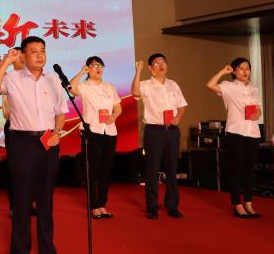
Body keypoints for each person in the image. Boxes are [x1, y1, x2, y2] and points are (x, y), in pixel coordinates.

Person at [0, 36, 69, 254]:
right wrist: (7, 60)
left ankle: (48, 251)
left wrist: (57, 132)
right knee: (22, 198)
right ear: (23, 55)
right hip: (22, 142)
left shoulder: (53, 80)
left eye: (43, 50)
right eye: (34, 51)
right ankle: (19, 251)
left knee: (46, 198)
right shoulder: (12, 78)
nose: (40, 55)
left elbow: (60, 111)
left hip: (48, 141)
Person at [132, 53, 187, 220]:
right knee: (152, 169)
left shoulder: (173, 84)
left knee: (172, 168)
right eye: (157, 63)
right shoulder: (146, 84)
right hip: (154, 131)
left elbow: (182, 105)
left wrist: (178, 118)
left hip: (172, 131)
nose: (161, 65)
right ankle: (152, 207)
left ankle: (172, 206)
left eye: (163, 62)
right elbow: (135, 92)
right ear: (151, 68)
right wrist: (138, 71)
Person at [206, 58, 262, 218]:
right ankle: (237, 204)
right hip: (236, 131)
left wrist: (258, 114)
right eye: (241, 68)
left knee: (249, 169)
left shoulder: (254, 88)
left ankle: (248, 203)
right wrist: (223, 71)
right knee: (236, 169)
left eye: (247, 68)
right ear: (234, 71)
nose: (245, 71)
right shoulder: (228, 86)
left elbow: (258, 109)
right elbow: (210, 85)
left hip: (253, 132)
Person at [69, 56, 122, 219]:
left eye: (100, 65)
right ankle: (93, 205)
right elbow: (71, 88)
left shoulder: (110, 87)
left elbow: (117, 107)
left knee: (106, 170)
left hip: (109, 131)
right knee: (92, 170)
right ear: (88, 69)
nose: (98, 68)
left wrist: (114, 116)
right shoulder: (84, 86)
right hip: (91, 131)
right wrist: (81, 73)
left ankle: (102, 204)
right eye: (94, 66)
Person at [0, 46, 24, 212]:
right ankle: (15, 205)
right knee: (15, 167)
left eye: (22, 55)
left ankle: (31, 202)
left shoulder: (35, 77)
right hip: (14, 126)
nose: (20, 58)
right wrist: (6, 60)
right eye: (17, 56)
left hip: (34, 127)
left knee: (33, 168)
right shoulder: (7, 77)